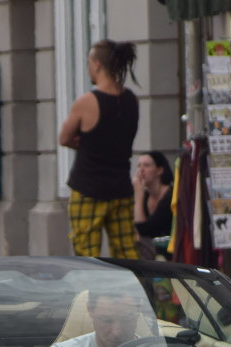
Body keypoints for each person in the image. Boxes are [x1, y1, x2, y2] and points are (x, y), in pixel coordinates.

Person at [59, 39, 139, 259]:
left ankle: (88, 295)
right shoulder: (131, 100)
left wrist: (83, 142)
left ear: (96, 64)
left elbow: (64, 137)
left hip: (88, 188)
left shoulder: (87, 102)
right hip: (121, 188)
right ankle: (134, 293)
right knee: (127, 253)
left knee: (87, 256)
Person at [51, 289, 154, 347]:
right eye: (106, 320)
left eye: (126, 319)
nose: (117, 332)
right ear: (90, 309)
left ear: (139, 309)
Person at [132, 151, 174, 259]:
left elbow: (146, 231)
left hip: (169, 253)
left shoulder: (170, 196)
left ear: (159, 170)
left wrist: (138, 196)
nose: (141, 170)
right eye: (139, 165)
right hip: (152, 254)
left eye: (146, 165)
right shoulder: (144, 195)